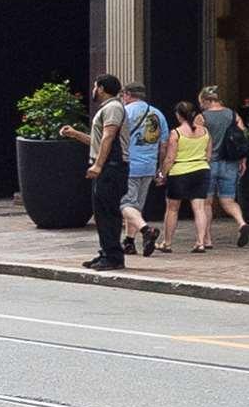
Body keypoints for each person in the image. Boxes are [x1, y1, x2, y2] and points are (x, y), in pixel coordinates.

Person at [81, 74, 135, 271]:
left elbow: (108, 137)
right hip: (109, 166)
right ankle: (107, 252)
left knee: (108, 212)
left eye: (95, 86)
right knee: (102, 212)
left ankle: (113, 256)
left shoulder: (113, 108)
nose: (93, 90)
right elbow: (98, 141)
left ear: (102, 88)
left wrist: (98, 165)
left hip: (112, 166)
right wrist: (76, 134)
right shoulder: (109, 108)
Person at [198, 88, 249, 248]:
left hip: (208, 163)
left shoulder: (201, 118)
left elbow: (196, 139)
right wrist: (242, 160)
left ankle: (207, 239)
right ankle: (241, 222)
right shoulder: (233, 115)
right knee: (228, 200)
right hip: (230, 163)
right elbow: (242, 138)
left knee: (206, 203)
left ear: (205, 101)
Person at [117, 83, 169, 255]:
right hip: (148, 165)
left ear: (127, 94)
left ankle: (146, 230)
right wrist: (160, 168)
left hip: (130, 164)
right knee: (136, 206)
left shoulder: (126, 112)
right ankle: (129, 242)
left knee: (125, 203)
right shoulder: (158, 114)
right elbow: (163, 145)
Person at [158, 100, 215, 252]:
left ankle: (167, 243)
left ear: (178, 115)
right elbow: (208, 155)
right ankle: (200, 242)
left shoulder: (176, 133)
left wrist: (162, 174)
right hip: (202, 170)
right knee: (199, 208)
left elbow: (170, 158)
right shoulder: (205, 132)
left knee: (172, 209)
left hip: (179, 172)